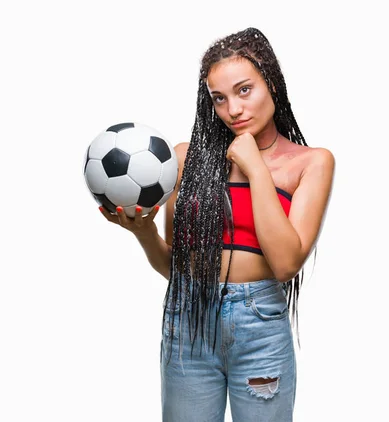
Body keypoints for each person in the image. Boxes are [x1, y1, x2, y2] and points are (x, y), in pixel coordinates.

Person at [99, 27, 335, 422]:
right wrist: (144, 234)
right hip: (188, 319)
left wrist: (256, 168)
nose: (234, 110)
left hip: (259, 326)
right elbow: (172, 265)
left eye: (245, 90)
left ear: (271, 84)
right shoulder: (183, 159)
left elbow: (285, 264)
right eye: (219, 98)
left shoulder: (310, 163)